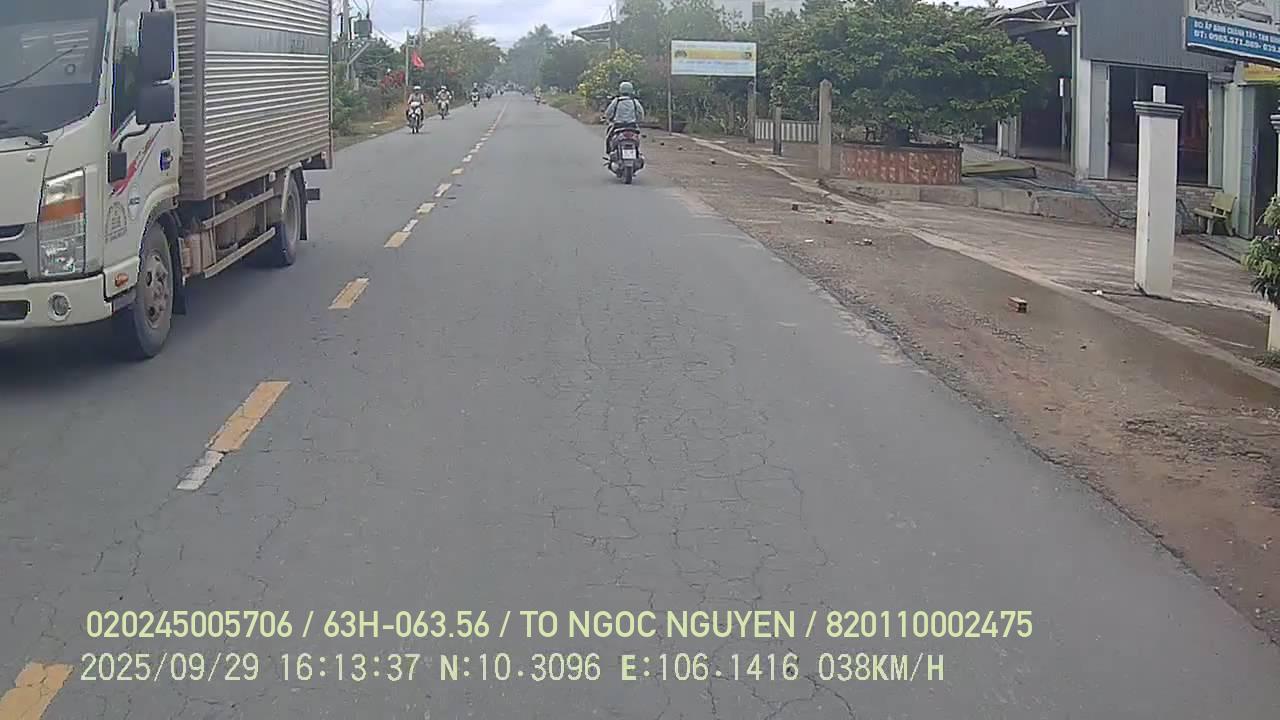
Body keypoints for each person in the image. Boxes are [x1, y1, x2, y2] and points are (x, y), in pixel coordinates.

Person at [603, 81, 644, 156]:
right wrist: (638, 120)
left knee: (608, 137)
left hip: (618, 126)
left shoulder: (616, 101)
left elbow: (608, 113)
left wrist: (607, 118)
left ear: (620, 90)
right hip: (632, 126)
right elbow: (640, 114)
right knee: (637, 137)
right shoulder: (635, 102)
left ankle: (609, 152)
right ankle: (637, 152)